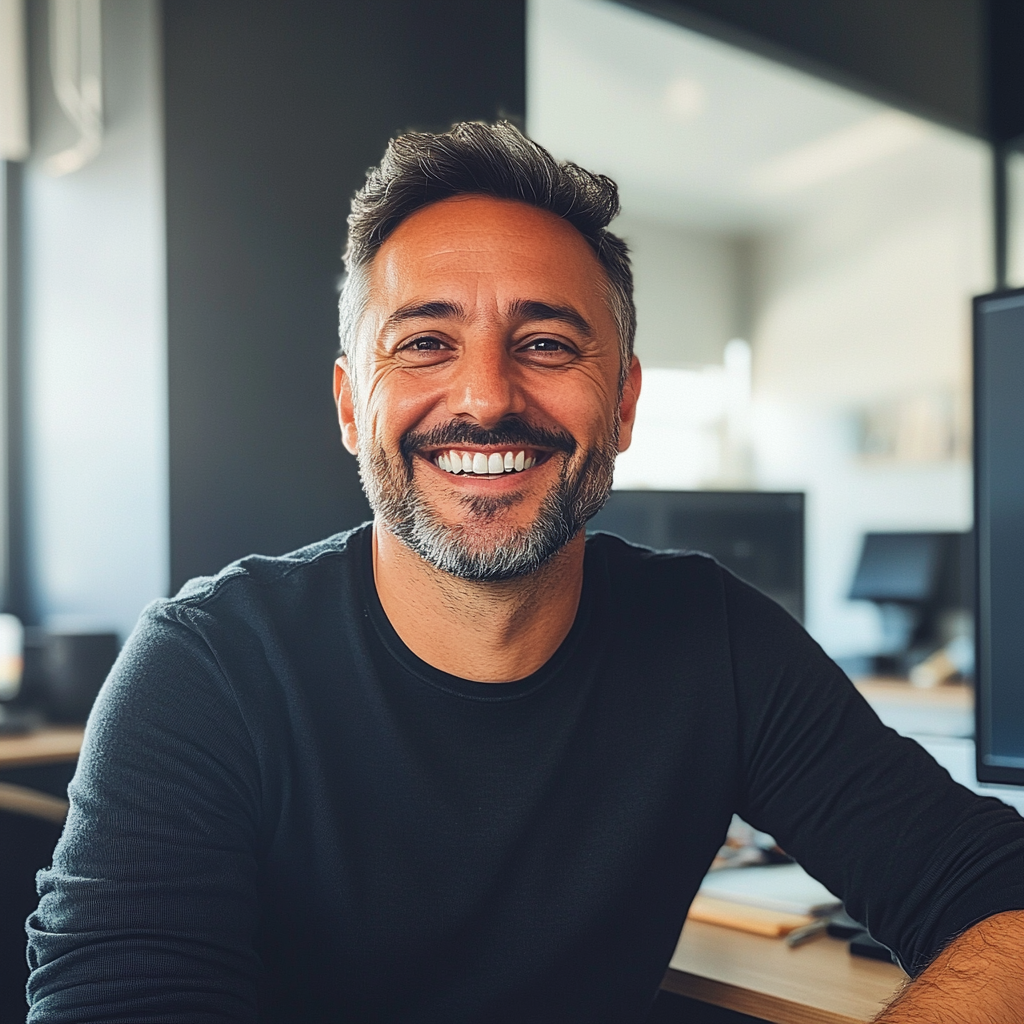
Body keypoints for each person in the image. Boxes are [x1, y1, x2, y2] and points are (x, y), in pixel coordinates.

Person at [25, 122, 1024, 1023]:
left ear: (624, 405)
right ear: (348, 405)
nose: (487, 396)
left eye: (545, 342)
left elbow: (999, 897)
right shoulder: (207, 671)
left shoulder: (713, 641)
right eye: (425, 342)